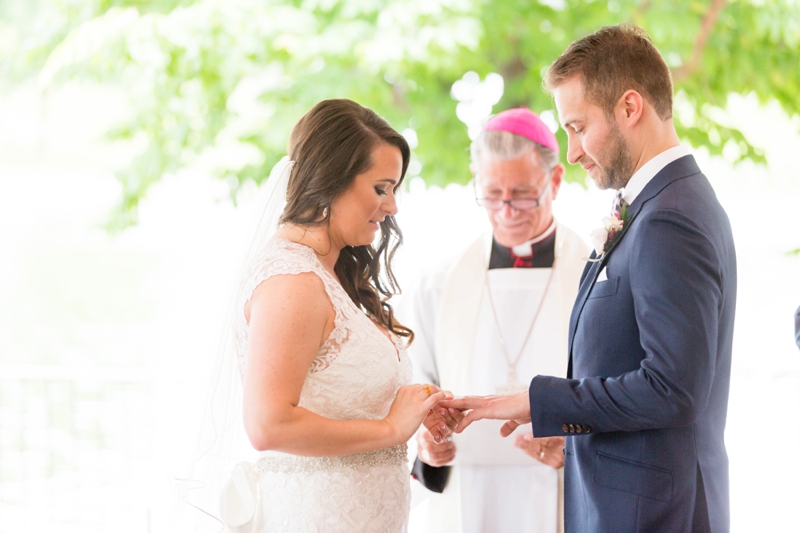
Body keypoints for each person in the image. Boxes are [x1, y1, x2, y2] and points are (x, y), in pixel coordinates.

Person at [442, 24, 737, 533]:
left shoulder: (670, 217)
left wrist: (540, 400)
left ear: (629, 107)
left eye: (578, 127)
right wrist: (570, 427)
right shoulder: (661, 202)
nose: (574, 152)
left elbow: (672, 389)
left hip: (653, 512)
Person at [190, 99, 454, 533]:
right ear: (332, 180)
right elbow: (267, 424)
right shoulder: (291, 281)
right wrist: (390, 429)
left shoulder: (330, 274)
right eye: (381, 188)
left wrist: (412, 408)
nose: (392, 207)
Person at [399, 108, 588, 533]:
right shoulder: (438, 284)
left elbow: (617, 394)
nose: (506, 211)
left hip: (562, 492)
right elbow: (416, 388)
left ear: (555, 181)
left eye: (522, 194)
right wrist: (427, 444)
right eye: (491, 194)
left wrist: (576, 447)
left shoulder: (592, 276)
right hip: (469, 497)